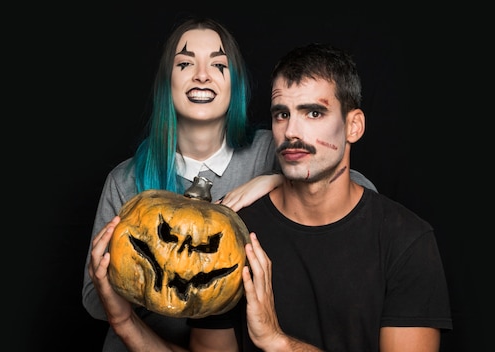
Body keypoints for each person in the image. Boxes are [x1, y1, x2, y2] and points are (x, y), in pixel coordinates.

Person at [89, 42, 452, 351]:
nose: (292, 131)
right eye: (282, 114)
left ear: (353, 125)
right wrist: (123, 321)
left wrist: (276, 341)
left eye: (314, 112)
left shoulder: (407, 241)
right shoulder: (232, 240)